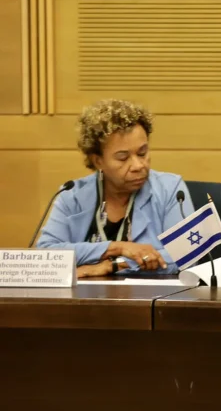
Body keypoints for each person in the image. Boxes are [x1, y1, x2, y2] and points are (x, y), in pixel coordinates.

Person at [35, 99, 190, 278]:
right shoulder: (72, 195)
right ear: (98, 161)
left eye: (142, 153)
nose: (138, 165)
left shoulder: (170, 189)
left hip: (149, 301)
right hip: (85, 300)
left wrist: (114, 265)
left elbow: (185, 254)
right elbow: (46, 254)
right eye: (123, 158)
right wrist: (116, 247)